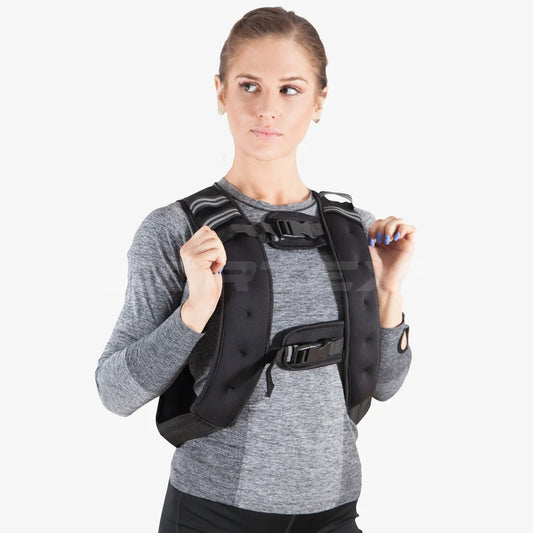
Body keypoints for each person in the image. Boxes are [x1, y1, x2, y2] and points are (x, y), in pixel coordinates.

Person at [95, 7, 416, 532]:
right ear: (220, 92)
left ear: (319, 101)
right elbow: (114, 392)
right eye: (249, 86)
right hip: (213, 513)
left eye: (290, 89)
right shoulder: (176, 231)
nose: (267, 108)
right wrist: (194, 312)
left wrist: (387, 292)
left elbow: (385, 386)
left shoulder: (356, 230)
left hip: (334, 510)